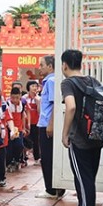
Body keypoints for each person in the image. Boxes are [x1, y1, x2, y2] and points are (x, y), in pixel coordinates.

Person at [60, 49, 103, 206]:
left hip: (79, 139)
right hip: (96, 136)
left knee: (83, 180)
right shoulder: (93, 81)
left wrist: (65, 133)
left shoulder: (68, 83)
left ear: (65, 65)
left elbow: (71, 107)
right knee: (88, 180)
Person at [35, 56, 62, 198]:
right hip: (46, 123)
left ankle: (50, 190)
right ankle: (57, 188)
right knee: (52, 156)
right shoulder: (49, 81)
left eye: (42, 65)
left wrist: (50, 124)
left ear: (50, 66)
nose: (40, 68)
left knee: (47, 157)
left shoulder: (51, 81)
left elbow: (55, 104)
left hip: (47, 125)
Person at [5, 85, 28, 171]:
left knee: (19, 145)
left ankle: (17, 160)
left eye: (17, 98)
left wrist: (24, 128)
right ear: (10, 96)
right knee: (9, 147)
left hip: (19, 129)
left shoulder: (23, 104)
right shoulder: (7, 104)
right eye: (13, 98)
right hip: (9, 129)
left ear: (20, 96)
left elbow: (23, 116)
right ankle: (9, 162)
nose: (15, 100)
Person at [26, 81, 41, 163]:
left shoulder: (39, 98)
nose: (34, 88)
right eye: (32, 86)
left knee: (36, 140)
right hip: (27, 122)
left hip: (36, 122)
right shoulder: (24, 98)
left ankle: (37, 158)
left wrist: (38, 102)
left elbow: (40, 111)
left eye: (36, 86)